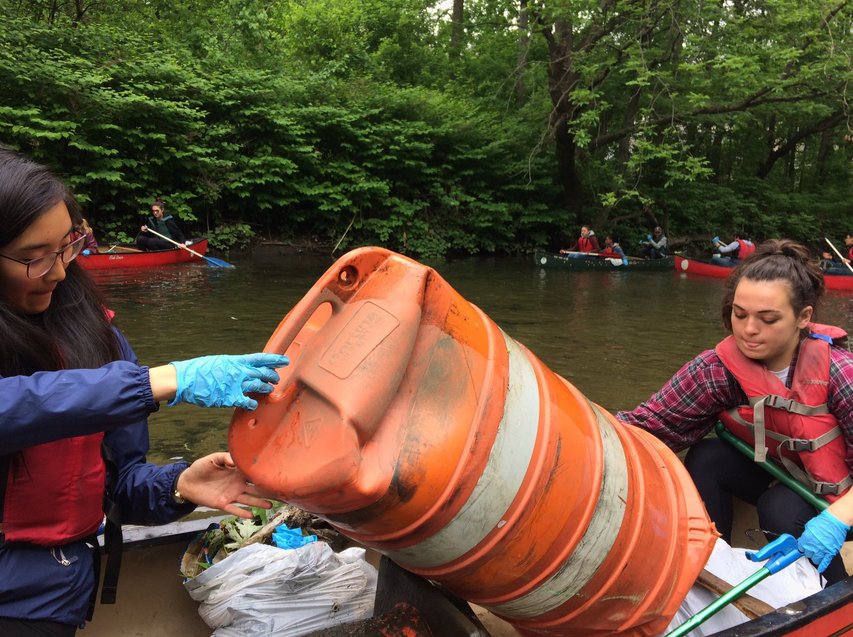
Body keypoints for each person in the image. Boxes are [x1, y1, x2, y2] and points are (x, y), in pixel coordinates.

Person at [0, 149, 290, 636]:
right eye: (33, 258)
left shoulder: (101, 340)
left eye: (67, 245)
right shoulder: (131, 379)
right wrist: (156, 381)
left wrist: (179, 486)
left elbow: (117, 483)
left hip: (55, 597)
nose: (58, 271)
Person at [617, 239, 853, 585]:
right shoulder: (718, 370)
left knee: (780, 509)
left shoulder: (841, 373)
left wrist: (838, 517)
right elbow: (651, 426)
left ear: (803, 318)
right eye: (739, 314)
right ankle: (713, 571)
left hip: (842, 500)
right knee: (709, 456)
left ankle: (835, 601)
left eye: (767, 318)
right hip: (785, 473)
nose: (748, 329)